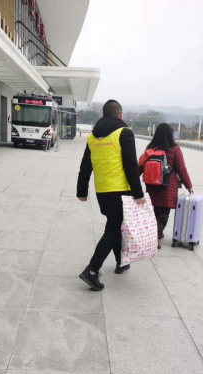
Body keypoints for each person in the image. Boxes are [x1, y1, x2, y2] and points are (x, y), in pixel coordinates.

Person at [76, 100, 145, 291]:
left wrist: (82, 190)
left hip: (102, 191)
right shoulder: (124, 133)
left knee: (115, 224)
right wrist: (138, 193)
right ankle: (92, 270)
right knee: (113, 229)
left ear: (104, 115)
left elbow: (85, 165)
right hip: (120, 191)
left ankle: (121, 262)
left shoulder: (93, 137)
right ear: (120, 115)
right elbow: (131, 165)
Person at [141, 124, 194, 248]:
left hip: (152, 185)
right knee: (163, 213)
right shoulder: (174, 149)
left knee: (155, 210)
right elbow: (181, 170)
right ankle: (155, 235)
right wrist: (189, 186)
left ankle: (155, 233)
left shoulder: (150, 148)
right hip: (167, 186)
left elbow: (141, 165)